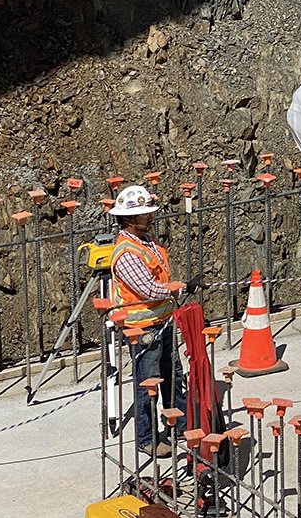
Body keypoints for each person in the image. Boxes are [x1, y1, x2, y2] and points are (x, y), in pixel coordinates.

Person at [109, 184, 187, 458]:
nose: (151, 217)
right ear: (130, 219)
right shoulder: (127, 252)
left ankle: (180, 427)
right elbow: (147, 289)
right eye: (144, 214)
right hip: (143, 329)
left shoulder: (147, 242)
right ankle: (147, 438)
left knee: (173, 377)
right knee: (148, 383)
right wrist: (179, 288)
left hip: (162, 322)